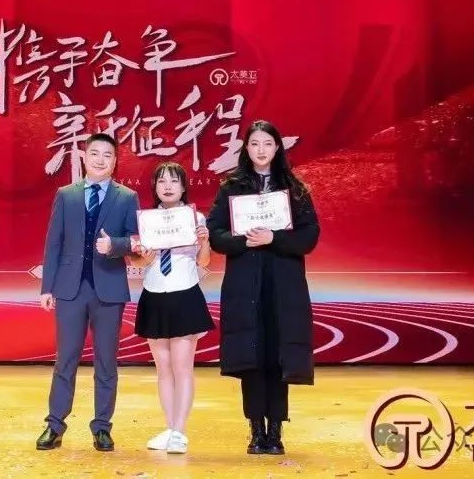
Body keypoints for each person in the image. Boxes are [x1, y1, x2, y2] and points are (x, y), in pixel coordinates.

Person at [206, 120, 320, 455]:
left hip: (283, 285)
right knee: (252, 356)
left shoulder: (294, 188)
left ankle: (276, 431)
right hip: (246, 286)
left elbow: (309, 235)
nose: (261, 150)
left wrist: (274, 237)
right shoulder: (232, 187)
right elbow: (215, 234)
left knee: (278, 355)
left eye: (267, 144)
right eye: (254, 144)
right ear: (246, 148)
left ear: (277, 148)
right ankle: (256, 430)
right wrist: (245, 240)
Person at [35, 133, 139, 452]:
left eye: (107, 155)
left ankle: (102, 427)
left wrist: (115, 245)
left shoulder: (127, 197)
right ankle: (55, 424)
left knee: (106, 362)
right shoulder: (66, 195)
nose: (100, 159)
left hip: (109, 290)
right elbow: (53, 242)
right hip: (70, 290)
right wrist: (47, 287)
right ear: (84, 157)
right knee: (65, 359)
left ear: (115, 161)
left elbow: (137, 241)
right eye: (94, 153)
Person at [130, 162, 215, 454]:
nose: (167, 186)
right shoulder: (147, 221)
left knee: (182, 368)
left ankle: (180, 431)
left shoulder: (195, 218)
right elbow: (139, 262)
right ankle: (170, 429)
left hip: (184, 294)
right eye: (162, 181)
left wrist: (204, 241)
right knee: (163, 369)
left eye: (174, 181)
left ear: (183, 186)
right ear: (155, 187)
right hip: (154, 294)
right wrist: (145, 256)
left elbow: (204, 261)